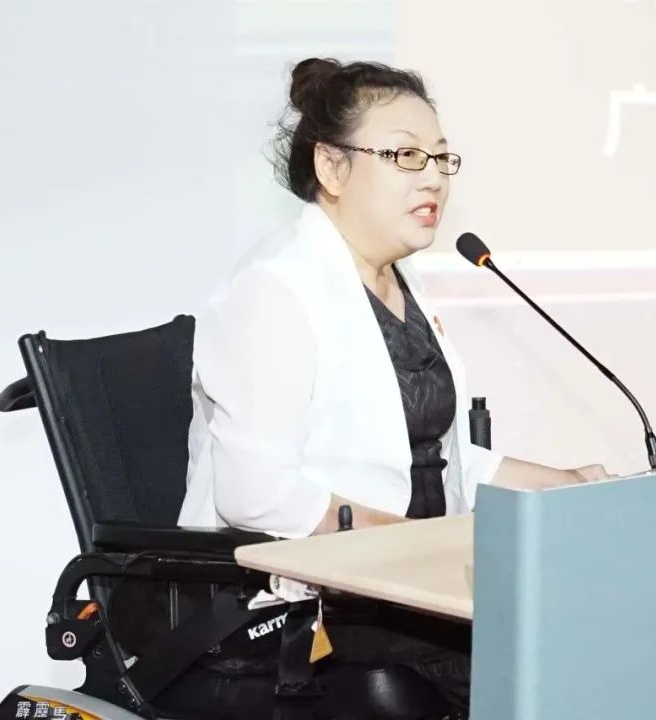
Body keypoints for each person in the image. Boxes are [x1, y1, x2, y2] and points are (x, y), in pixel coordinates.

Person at [175, 57, 609, 716]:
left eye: (440, 158)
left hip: (412, 591)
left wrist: (569, 484)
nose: (433, 177)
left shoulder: (401, 284)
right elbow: (255, 494)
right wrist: (415, 548)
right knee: (548, 669)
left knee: (589, 633)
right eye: (406, 156)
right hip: (308, 611)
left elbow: (438, 461)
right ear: (332, 168)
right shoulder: (275, 289)